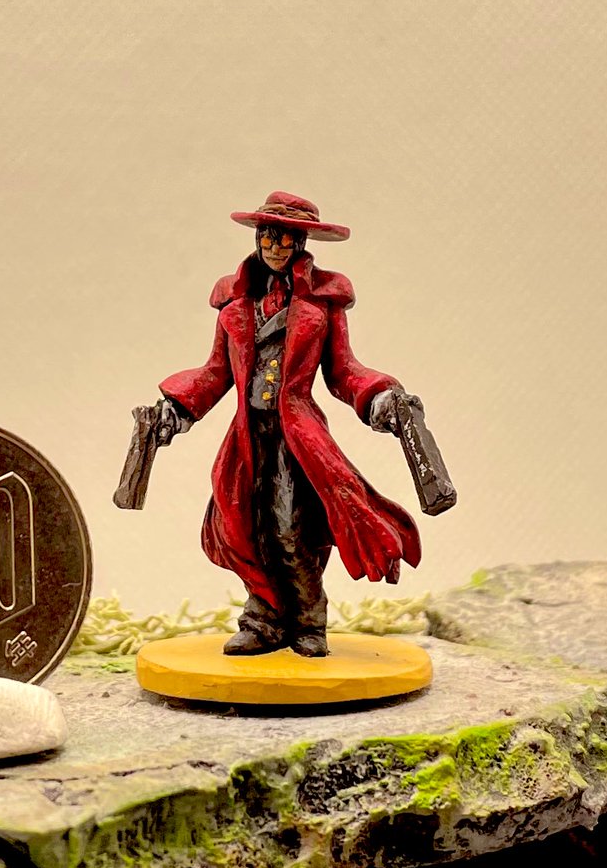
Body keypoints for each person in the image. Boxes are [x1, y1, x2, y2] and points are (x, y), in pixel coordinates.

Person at [154, 191, 422, 658]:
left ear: (301, 243)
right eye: (268, 236)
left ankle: (308, 622)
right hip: (246, 438)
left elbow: (344, 372)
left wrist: (379, 398)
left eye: (286, 239)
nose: (276, 247)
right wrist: (176, 408)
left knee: (290, 529)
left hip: (297, 437)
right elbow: (215, 373)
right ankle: (262, 620)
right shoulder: (236, 306)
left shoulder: (321, 305)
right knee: (244, 527)